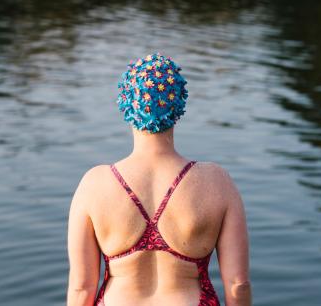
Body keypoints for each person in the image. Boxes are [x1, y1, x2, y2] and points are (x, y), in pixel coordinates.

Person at [67, 53, 251, 306]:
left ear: (125, 105)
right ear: (178, 105)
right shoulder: (217, 182)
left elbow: (81, 288)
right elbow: (238, 284)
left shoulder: (94, 184)